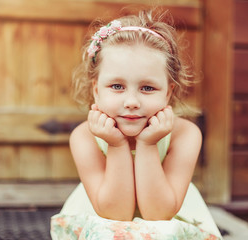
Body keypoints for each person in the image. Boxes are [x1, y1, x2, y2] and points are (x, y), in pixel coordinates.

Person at [51, 9, 222, 240]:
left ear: (168, 93)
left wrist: (148, 144)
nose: (131, 102)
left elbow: (159, 214)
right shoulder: (84, 136)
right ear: (96, 90)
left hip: (168, 224)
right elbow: (115, 214)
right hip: (104, 223)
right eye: (117, 86)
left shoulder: (185, 134)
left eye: (148, 88)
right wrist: (116, 145)